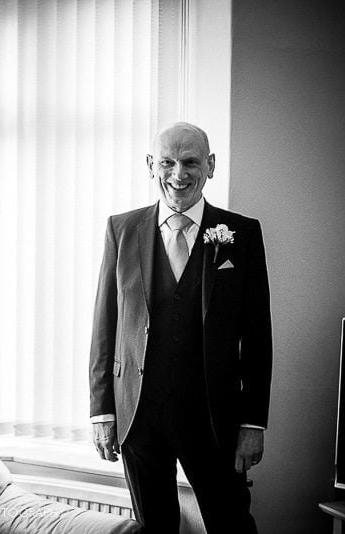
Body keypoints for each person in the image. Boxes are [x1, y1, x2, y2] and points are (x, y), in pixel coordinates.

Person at [89, 122, 272, 533]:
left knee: (232, 524)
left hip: (214, 416)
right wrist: (101, 410)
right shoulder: (122, 229)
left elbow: (258, 337)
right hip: (138, 413)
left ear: (210, 166)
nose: (178, 174)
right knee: (155, 527)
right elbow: (105, 323)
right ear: (150, 165)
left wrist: (253, 423)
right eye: (167, 162)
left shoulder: (240, 234)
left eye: (190, 162)